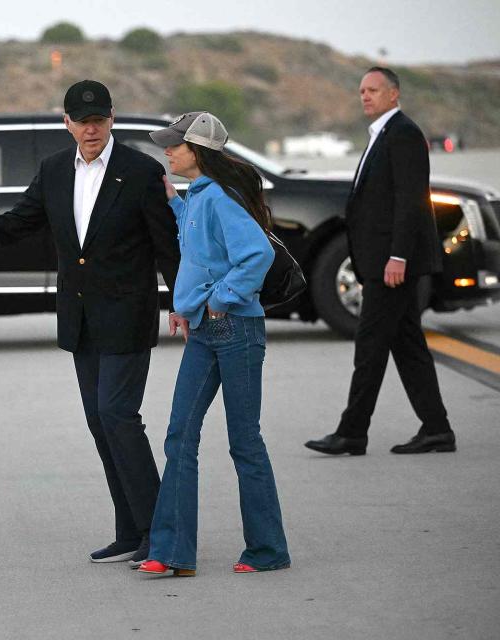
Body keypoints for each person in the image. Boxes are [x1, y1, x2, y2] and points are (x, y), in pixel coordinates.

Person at [0, 80, 180, 566]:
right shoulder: (53, 170)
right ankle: (130, 529)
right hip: (82, 316)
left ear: (112, 119)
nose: (91, 128)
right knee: (99, 422)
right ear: (66, 122)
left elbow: (165, 243)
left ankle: (161, 531)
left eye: (99, 119)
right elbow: (21, 218)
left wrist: (182, 299)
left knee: (118, 417)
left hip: (127, 314)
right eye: (81, 120)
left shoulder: (141, 171)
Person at [137, 112, 290, 577]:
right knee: (179, 435)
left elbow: (256, 255)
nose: (167, 151)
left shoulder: (220, 196)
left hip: (236, 330)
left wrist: (222, 300)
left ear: (197, 151)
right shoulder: (200, 196)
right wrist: (174, 205)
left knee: (244, 442)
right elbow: (203, 252)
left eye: (174, 145)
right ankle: (173, 552)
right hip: (204, 332)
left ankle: (268, 549)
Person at [304, 67, 454, 457]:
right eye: (361, 91)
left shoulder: (402, 133)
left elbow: (411, 201)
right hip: (379, 261)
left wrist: (398, 256)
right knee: (408, 346)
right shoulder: (382, 135)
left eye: (373, 90)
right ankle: (437, 429)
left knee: (370, 346)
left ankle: (352, 432)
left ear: (394, 94)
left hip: (392, 263)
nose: (365, 96)